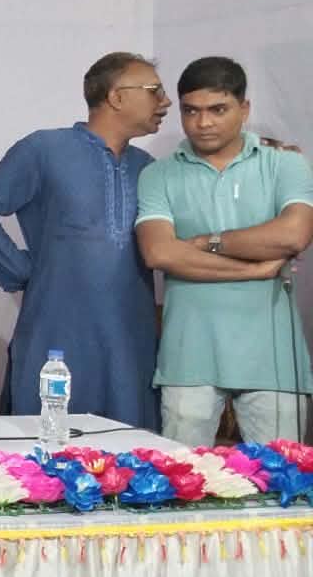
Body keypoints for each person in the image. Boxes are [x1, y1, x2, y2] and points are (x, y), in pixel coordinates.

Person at [0, 52, 169, 430]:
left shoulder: (147, 169)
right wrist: (21, 270)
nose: (165, 102)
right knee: (49, 442)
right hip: (58, 331)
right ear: (116, 96)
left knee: (129, 446)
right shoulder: (45, 150)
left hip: (129, 335)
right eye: (155, 90)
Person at [134, 56, 313, 445]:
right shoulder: (158, 175)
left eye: (217, 109)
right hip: (188, 356)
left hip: (273, 358)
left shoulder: (285, 164)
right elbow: (160, 254)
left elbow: (293, 235)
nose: (203, 122)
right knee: (182, 475)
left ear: (244, 109)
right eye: (191, 111)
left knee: (280, 476)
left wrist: (205, 242)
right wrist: (255, 269)